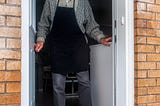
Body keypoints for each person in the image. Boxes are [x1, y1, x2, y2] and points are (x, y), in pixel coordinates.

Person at [35, 0, 112, 106]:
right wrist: (40, 39)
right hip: (58, 47)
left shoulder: (83, 2)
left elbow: (91, 26)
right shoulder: (51, 1)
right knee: (58, 85)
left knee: (84, 82)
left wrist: (101, 38)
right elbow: (43, 24)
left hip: (78, 46)